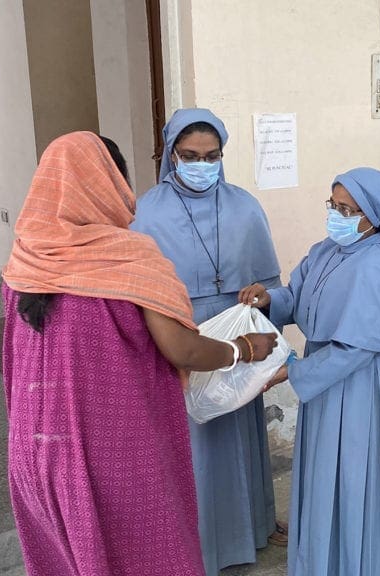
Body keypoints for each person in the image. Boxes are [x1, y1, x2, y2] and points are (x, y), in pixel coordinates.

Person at [2, 131, 277, 576]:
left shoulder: (25, 262)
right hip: (112, 451)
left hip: (33, 451)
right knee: (147, 557)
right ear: (107, 183)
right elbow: (182, 349)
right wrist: (244, 348)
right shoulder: (126, 259)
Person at [239, 167, 380, 576]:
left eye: (348, 209)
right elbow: (297, 294)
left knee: (364, 479)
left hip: (369, 385)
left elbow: (356, 348)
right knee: (330, 475)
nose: (337, 216)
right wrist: (268, 299)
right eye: (334, 205)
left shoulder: (379, 266)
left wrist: (296, 371)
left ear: (374, 216)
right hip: (329, 379)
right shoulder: (326, 250)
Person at [130, 108, 286, 574]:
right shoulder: (145, 212)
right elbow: (136, 292)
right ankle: (195, 546)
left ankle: (252, 527)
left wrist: (261, 300)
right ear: (171, 156)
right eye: (190, 156)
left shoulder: (244, 205)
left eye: (211, 156)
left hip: (239, 339)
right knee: (192, 444)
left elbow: (270, 285)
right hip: (180, 340)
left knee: (238, 436)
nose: (202, 164)